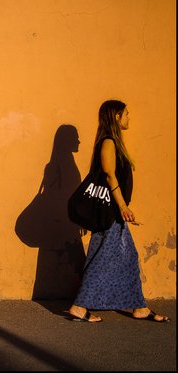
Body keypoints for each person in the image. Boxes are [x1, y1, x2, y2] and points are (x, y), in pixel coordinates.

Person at [67, 100, 170, 323]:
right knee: (105, 258)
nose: (129, 117)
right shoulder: (108, 142)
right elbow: (109, 176)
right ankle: (79, 306)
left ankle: (139, 306)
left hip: (110, 213)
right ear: (116, 117)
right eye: (126, 114)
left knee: (125, 257)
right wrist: (123, 207)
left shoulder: (112, 142)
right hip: (111, 213)